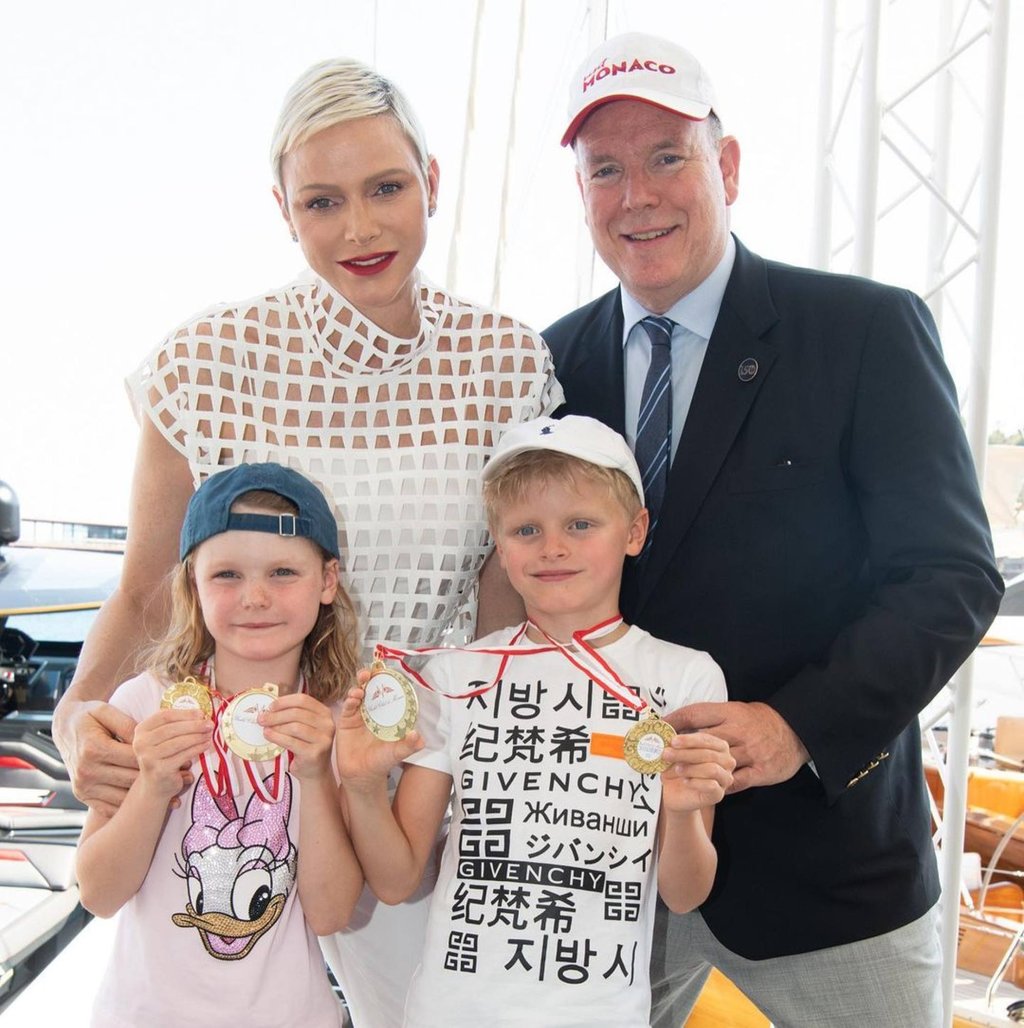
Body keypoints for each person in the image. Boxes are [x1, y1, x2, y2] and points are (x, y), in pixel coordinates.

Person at [55, 57, 562, 1027]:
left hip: (416, 786)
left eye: (386, 188)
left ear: (432, 182)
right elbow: (147, 589)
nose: (359, 227)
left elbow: (504, 603)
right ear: (283, 210)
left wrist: (499, 777)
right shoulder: (203, 362)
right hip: (235, 779)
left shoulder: (508, 362)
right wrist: (77, 716)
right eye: (323, 201)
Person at [543, 31, 1004, 1028]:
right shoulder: (549, 363)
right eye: (605, 170)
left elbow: (950, 576)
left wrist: (798, 727)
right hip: (604, 884)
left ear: (729, 165)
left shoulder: (863, 330)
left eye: (667, 157)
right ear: (581, 193)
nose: (637, 195)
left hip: (828, 880)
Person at [336, 414, 735, 1026]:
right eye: (526, 529)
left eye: (580, 524)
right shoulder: (456, 672)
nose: (553, 547)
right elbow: (395, 881)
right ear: (500, 546)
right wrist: (362, 786)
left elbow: (684, 894)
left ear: (634, 531)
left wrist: (681, 812)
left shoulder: (686, 677)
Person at [75, 462, 363, 1026]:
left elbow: (331, 914)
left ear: (328, 581)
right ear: (192, 585)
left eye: (283, 572)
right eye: (227, 574)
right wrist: (152, 787)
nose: (255, 597)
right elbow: (98, 894)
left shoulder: (334, 723)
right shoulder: (145, 704)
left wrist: (313, 776)